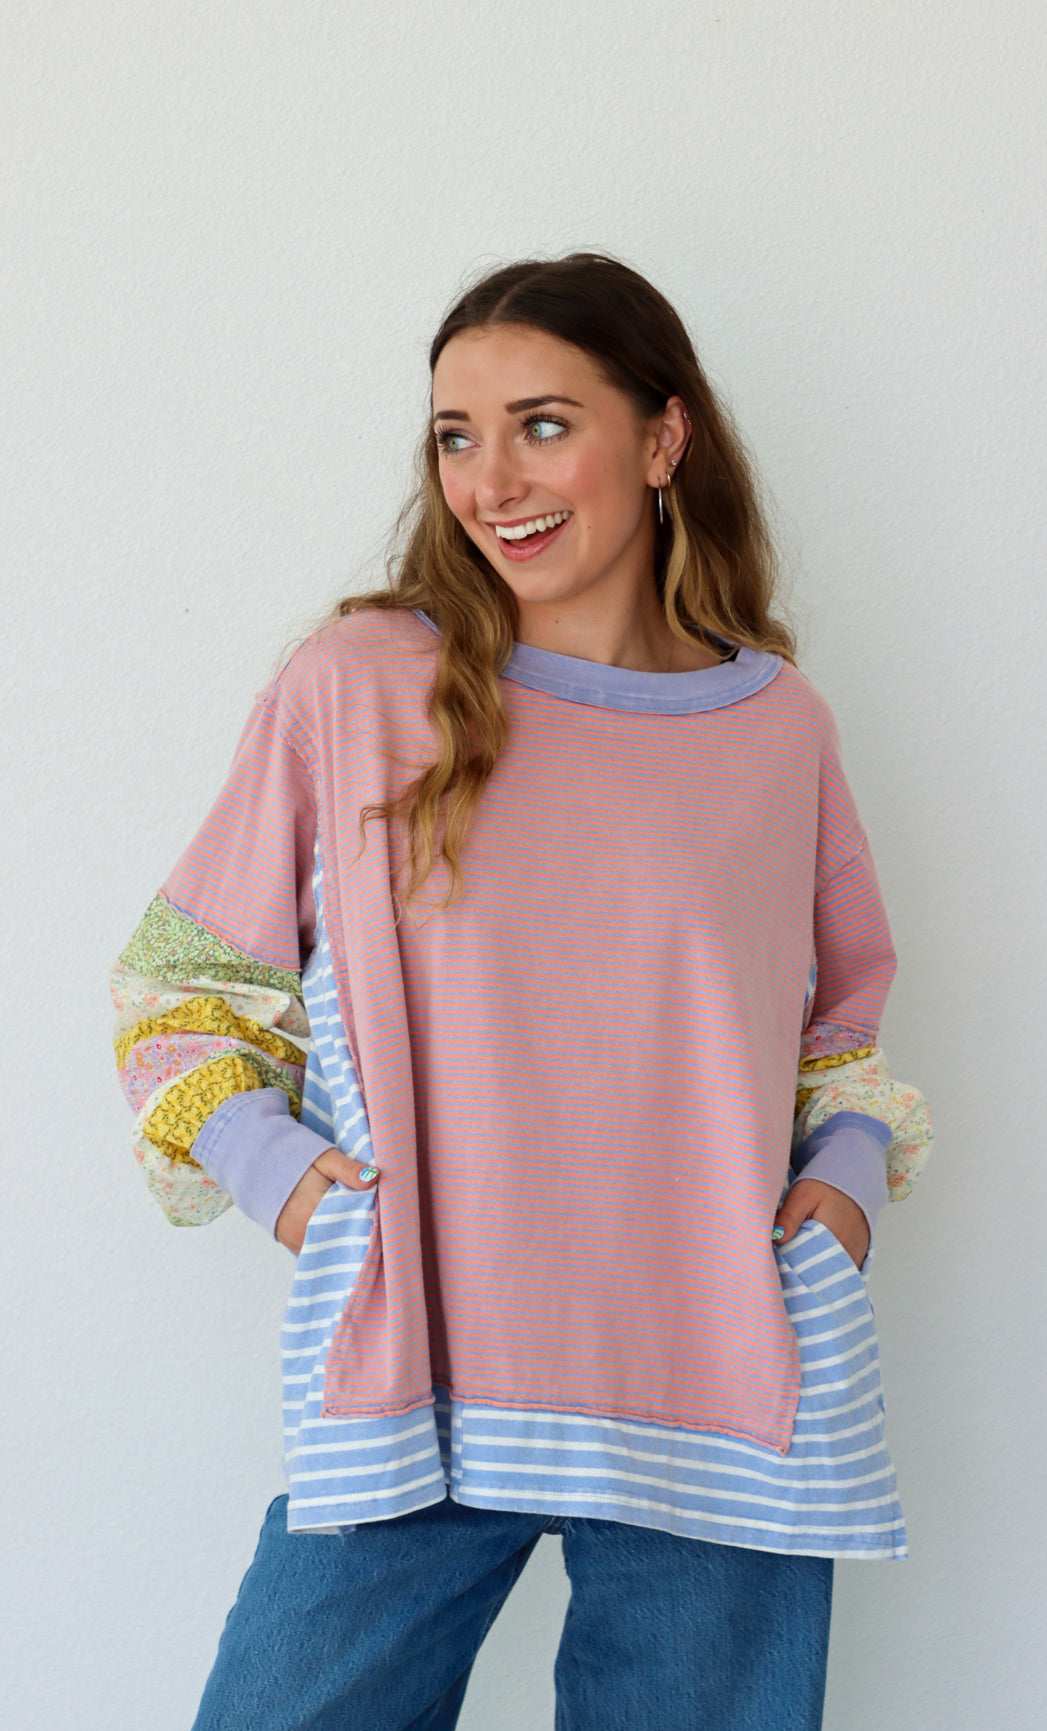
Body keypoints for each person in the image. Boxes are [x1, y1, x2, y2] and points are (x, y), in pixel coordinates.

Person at [111, 252, 932, 1731]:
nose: (493, 478)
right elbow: (180, 993)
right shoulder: (359, 688)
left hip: (716, 1376)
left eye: (544, 423)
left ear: (663, 438)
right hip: (416, 1363)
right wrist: (304, 1192)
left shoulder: (773, 729)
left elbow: (838, 1028)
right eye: (454, 434)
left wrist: (849, 1180)